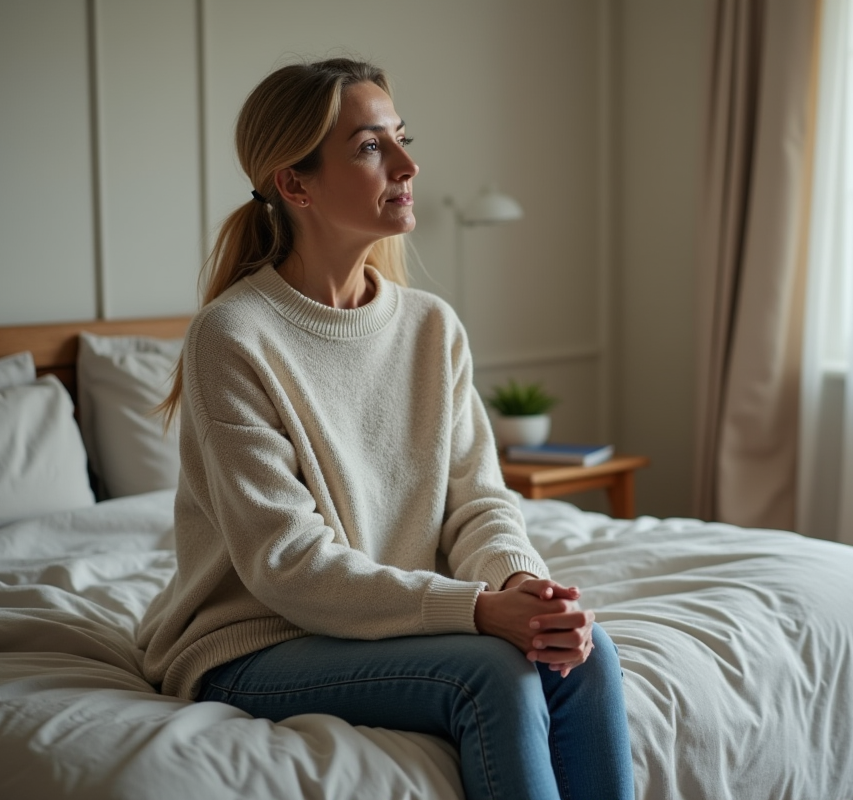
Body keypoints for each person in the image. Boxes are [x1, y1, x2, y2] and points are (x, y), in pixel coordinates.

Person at [136, 58, 633, 800]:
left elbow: (478, 501)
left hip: (383, 624)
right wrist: (476, 612)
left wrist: (520, 585)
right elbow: (287, 563)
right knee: (492, 674)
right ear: (294, 184)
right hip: (259, 642)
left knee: (588, 656)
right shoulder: (233, 337)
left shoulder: (431, 326)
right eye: (372, 147)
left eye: (401, 138)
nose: (409, 164)